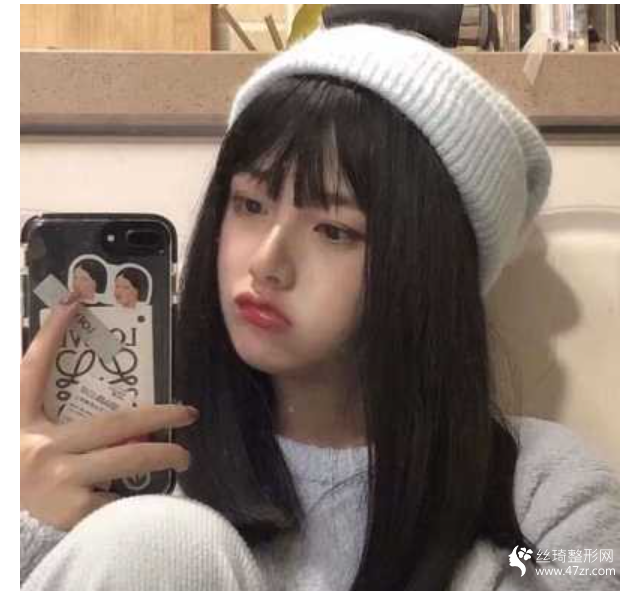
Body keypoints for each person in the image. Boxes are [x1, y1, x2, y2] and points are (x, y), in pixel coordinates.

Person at [20, 22, 619, 591]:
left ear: (427, 269)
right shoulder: (138, 463)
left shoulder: (531, 499)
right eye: (251, 205)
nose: (267, 263)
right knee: (159, 540)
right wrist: (28, 524)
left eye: (335, 231)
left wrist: (515, 559)